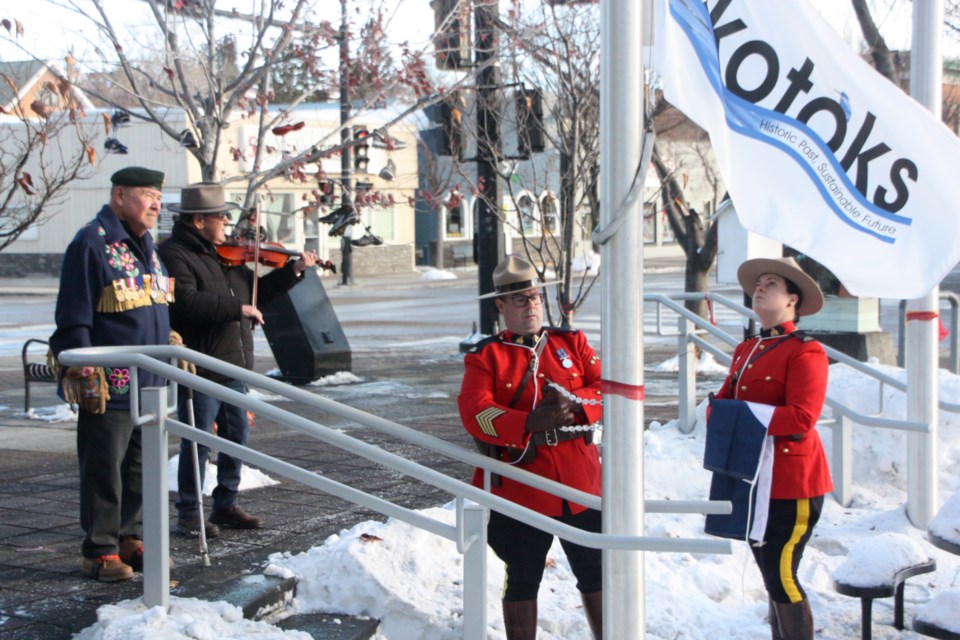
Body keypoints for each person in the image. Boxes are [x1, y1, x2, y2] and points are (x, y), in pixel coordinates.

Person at [158, 182, 318, 538]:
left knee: (237, 436)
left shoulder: (223, 255)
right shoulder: (174, 254)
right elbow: (183, 301)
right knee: (196, 440)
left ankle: (226, 503)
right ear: (199, 221)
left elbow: (256, 292)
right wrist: (237, 308)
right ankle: (188, 512)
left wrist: (292, 271)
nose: (228, 222)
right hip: (199, 365)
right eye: (221, 217)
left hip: (233, 364)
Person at [458, 255, 603, 640]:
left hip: (579, 479)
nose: (531, 305)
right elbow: (476, 414)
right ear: (501, 306)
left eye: (535, 296)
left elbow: (608, 390)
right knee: (522, 574)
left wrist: (576, 403)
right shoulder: (486, 356)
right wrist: (526, 423)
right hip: (522, 481)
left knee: (597, 568)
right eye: (520, 300)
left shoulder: (571, 342)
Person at [50, 167, 174, 582]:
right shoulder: (92, 242)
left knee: (140, 465)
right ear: (119, 196)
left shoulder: (147, 244)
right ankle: (99, 548)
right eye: (146, 195)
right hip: (110, 379)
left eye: (159, 195)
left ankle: (129, 536)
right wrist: (82, 361)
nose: (156, 203)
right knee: (105, 465)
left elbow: (148, 301)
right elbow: (74, 311)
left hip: (150, 377)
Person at [711, 257, 832, 640]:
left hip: (791, 481)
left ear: (792, 300)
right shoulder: (748, 348)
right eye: (758, 284)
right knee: (770, 575)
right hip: (754, 476)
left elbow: (801, 418)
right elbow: (727, 401)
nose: (759, 288)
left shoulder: (805, 351)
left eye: (771, 284)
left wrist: (741, 417)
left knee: (782, 575)